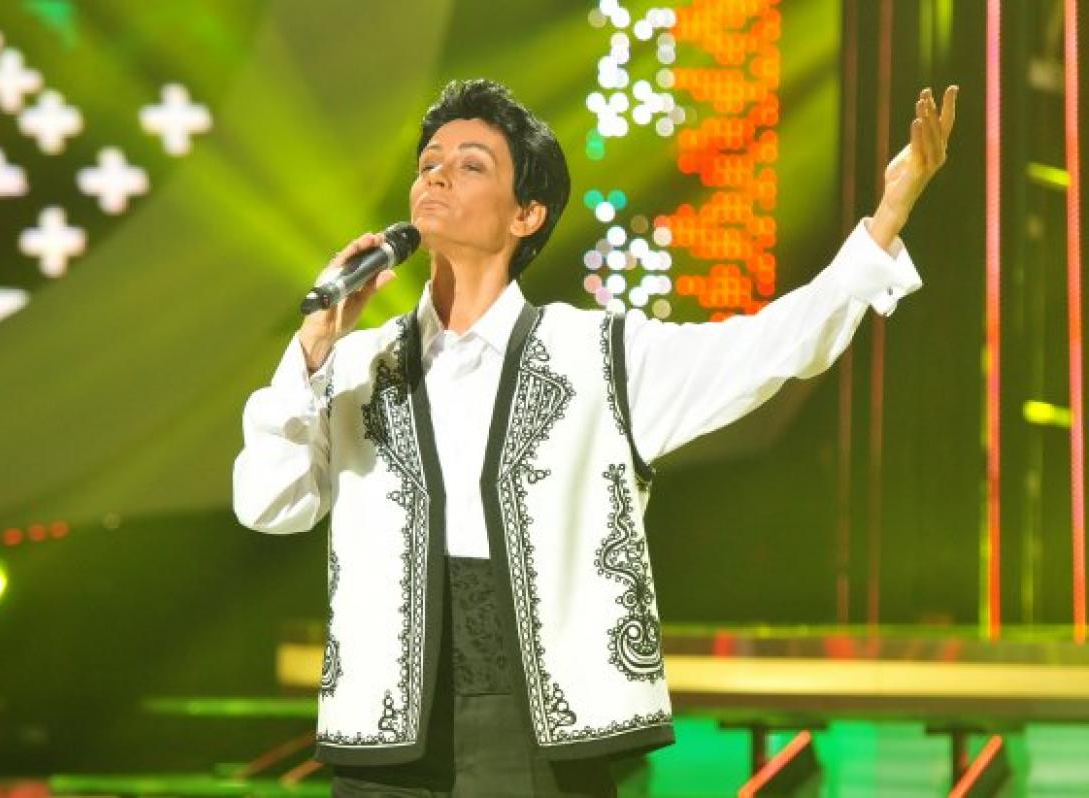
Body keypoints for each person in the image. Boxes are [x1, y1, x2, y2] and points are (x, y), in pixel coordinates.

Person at [232, 78, 957, 796]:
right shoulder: (357, 363)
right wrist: (312, 348)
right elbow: (268, 504)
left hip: (542, 742)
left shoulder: (600, 355)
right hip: (385, 749)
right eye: (429, 163)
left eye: (471, 164)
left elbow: (769, 348)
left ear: (527, 214)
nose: (438, 175)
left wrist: (887, 217)